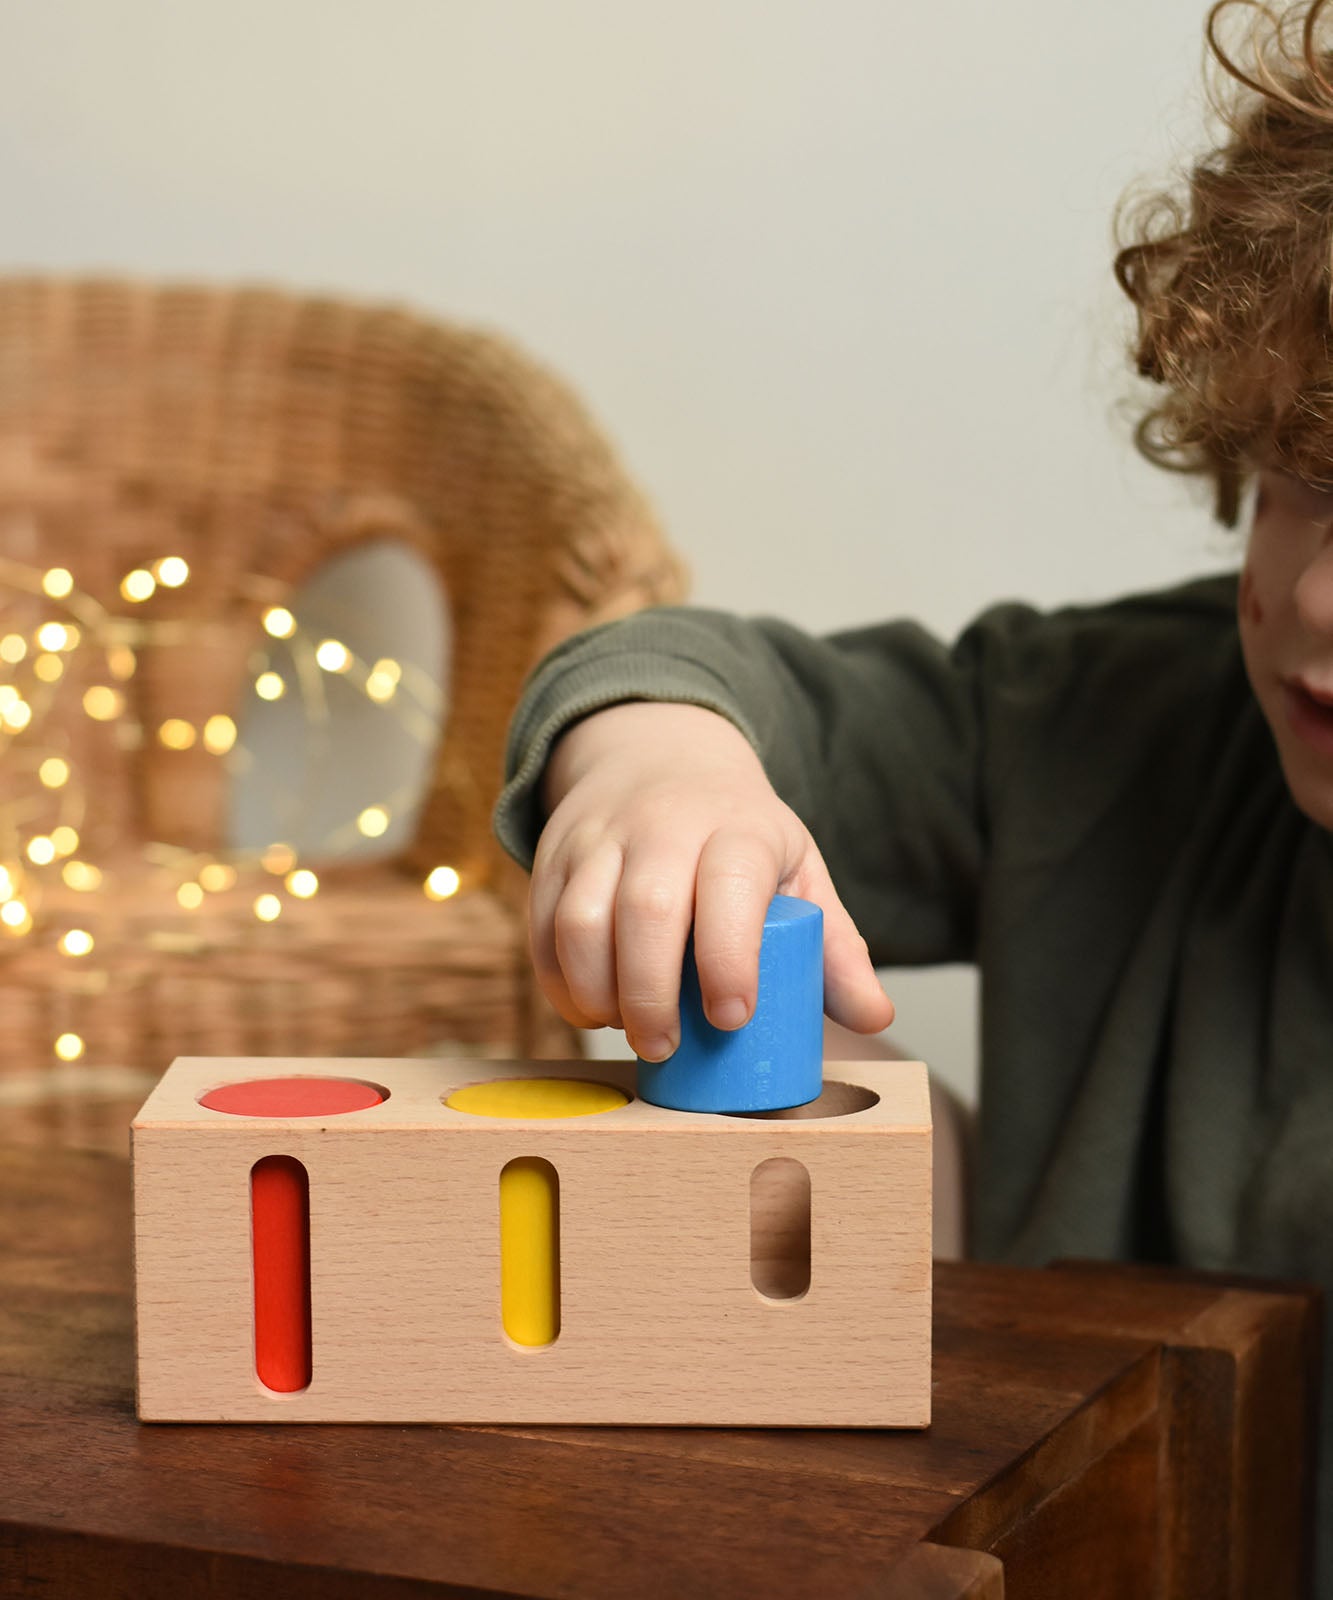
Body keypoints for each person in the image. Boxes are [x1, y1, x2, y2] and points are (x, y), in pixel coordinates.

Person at [494, 0, 1333, 1585]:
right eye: (1304, 482)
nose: (1312, 606)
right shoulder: (1113, 721)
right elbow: (708, 674)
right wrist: (661, 763)